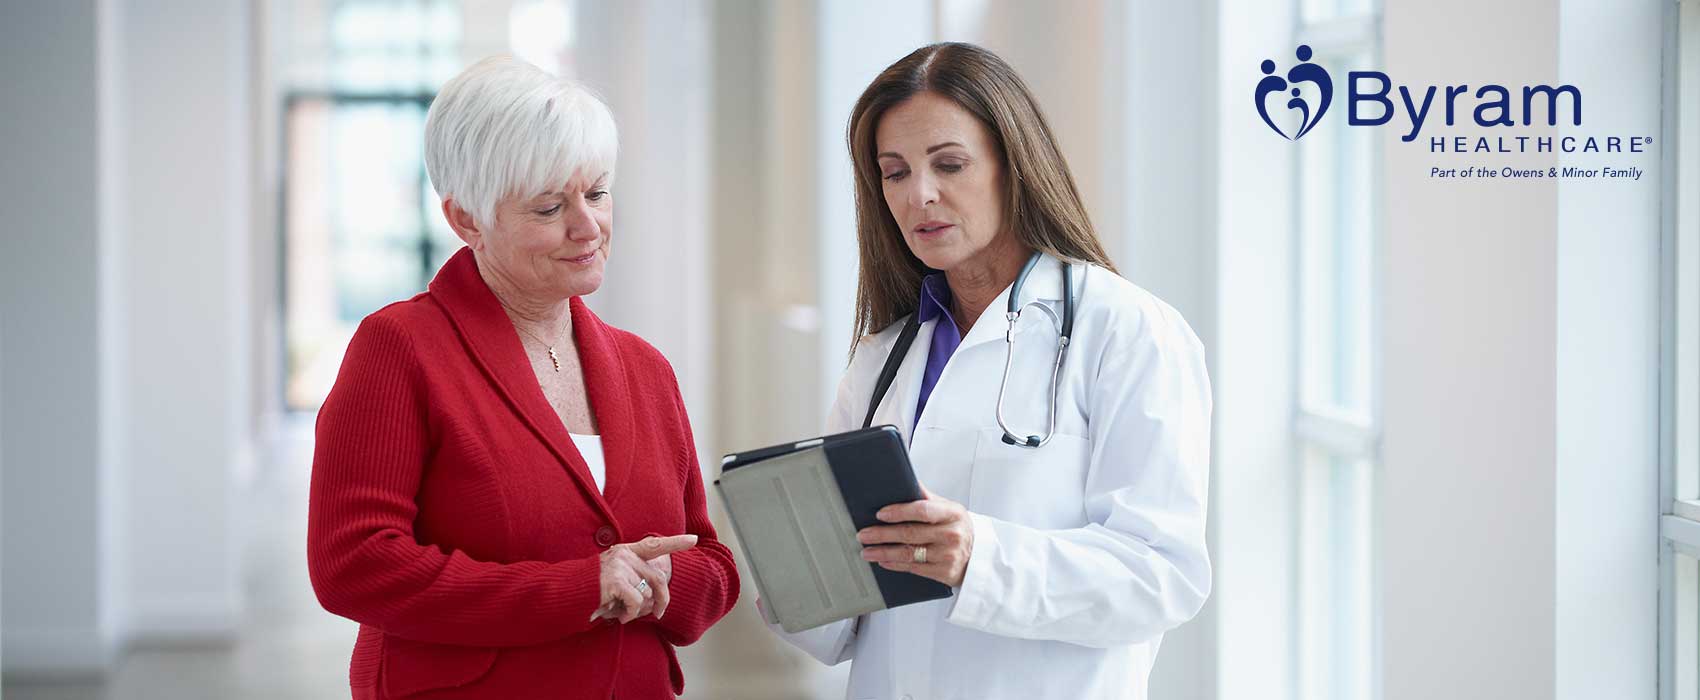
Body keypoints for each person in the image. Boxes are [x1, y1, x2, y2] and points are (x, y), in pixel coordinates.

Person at [765, 42, 1212, 700]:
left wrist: (982, 557)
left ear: (1013, 166)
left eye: (949, 164)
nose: (920, 195)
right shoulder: (883, 357)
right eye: (894, 172)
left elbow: (1162, 575)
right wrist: (793, 558)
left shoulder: (1126, 330)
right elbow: (833, 628)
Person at [307, 56, 738, 700]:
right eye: (548, 207)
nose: (587, 227)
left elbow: (711, 561)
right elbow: (354, 565)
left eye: (596, 193)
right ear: (467, 220)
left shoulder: (645, 368)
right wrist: (579, 586)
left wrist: (666, 582)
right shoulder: (399, 349)